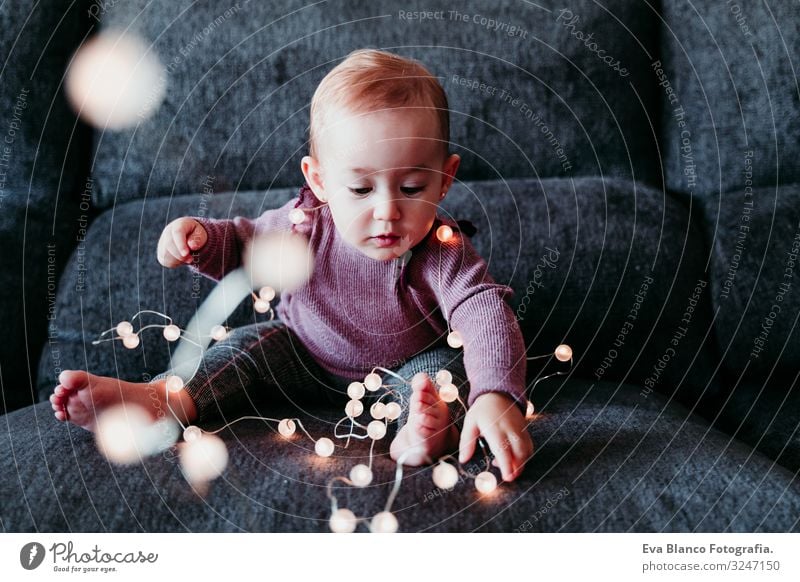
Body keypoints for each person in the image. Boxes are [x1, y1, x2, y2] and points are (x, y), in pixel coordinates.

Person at [51, 49, 533, 481]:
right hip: (301, 356)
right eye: (361, 190)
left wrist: (496, 393)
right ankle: (165, 400)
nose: (387, 210)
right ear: (319, 181)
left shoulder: (440, 249)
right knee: (248, 346)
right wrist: (200, 240)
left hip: (405, 367)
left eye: (411, 188)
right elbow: (244, 242)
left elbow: (482, 311)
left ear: (444, 179)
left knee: (440, 374)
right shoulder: (303, 225)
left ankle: (427, 430)